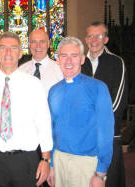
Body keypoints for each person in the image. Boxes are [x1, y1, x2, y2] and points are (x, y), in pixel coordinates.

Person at [0, 32, 53, 187]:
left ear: (20, 53)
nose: (8, 52)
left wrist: (46, 160)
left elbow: (44, 124)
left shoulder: (34, 85)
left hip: (25, 161)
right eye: (3, 48)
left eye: (13, 48)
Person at [47, 37, 114, 187]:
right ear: (57, 59)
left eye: (74, 56)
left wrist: (101, 173)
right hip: (59, 160)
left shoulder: (98, 88)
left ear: (83, 59)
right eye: (64, 56)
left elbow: (106, 132)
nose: (68, 61)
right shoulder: (54, 91)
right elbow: (52, 131)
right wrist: (51, 164)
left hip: (86, 162)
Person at [82, 21, 127, 187]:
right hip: (83, 138)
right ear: (86, 39)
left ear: (106, 39)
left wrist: (92, 122)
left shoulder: (116, 63)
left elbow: (118, 102)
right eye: (90, 36)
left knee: (109, 181)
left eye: (99, 36)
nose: (94, 40)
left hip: (108, 136)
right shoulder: (79, 64)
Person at [19, 29, 63, 95]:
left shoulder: (60, 70)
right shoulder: (21, 70)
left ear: (48, 44)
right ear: (29, 45)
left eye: (42, 41)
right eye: (34, 42)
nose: (38, 46)